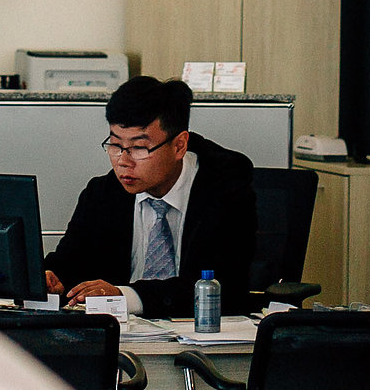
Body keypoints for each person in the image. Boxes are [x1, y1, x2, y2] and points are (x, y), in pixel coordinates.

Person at [46, 74, 258, 317]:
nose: (123, 161)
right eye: (115, 145)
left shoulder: (226, 193)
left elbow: (223, 286)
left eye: (139, 148)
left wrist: (125, 296)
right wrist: (53, 279)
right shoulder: (102, 193)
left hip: (199, 331)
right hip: (118, 332)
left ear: (179, 146)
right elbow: (70, 262)